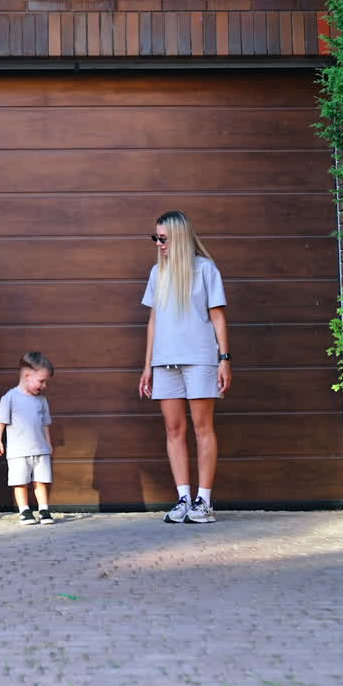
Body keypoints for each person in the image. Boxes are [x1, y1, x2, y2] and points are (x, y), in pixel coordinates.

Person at [138, 210, 231, 524]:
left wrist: (224, 359)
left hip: (201, 359)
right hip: (165, 362)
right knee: (173, 429)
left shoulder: (205, 269)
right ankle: (183, 498)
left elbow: (218, 316)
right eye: (156, 238)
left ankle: (204, 501)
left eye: (162, 238)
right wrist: (148, 365)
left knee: (202, 427)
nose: (158, 243)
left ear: (178, 237)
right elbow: (153, 322)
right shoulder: (157, 273)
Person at [0, 351, 55, 525]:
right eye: (41, 381)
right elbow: (1, 421)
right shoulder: (10, 398)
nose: (44, 386)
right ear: (27, 375)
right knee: (20, 482)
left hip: (40, 449)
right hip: (18, 451)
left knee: (41, 480)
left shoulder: (41, 400)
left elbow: (45, 424)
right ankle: (25, 511)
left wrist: (48, 444)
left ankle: (43, 509)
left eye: (46, 382)